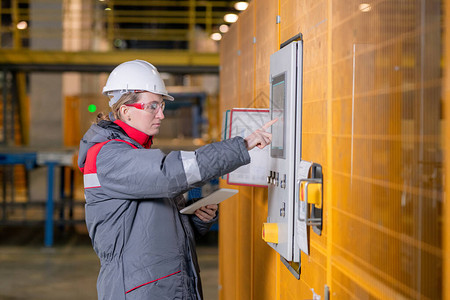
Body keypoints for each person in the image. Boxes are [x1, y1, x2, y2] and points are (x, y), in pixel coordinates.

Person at [77, 59, 275, 300]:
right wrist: (241, 146)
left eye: (161, 106)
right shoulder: (109, 155)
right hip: (140, 291)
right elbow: (171, 174)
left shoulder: (135, 153)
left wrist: (198, 219)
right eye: (152, 106)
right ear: (126, 110)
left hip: (162, 285)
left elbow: (153, 227)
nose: (161, 114)